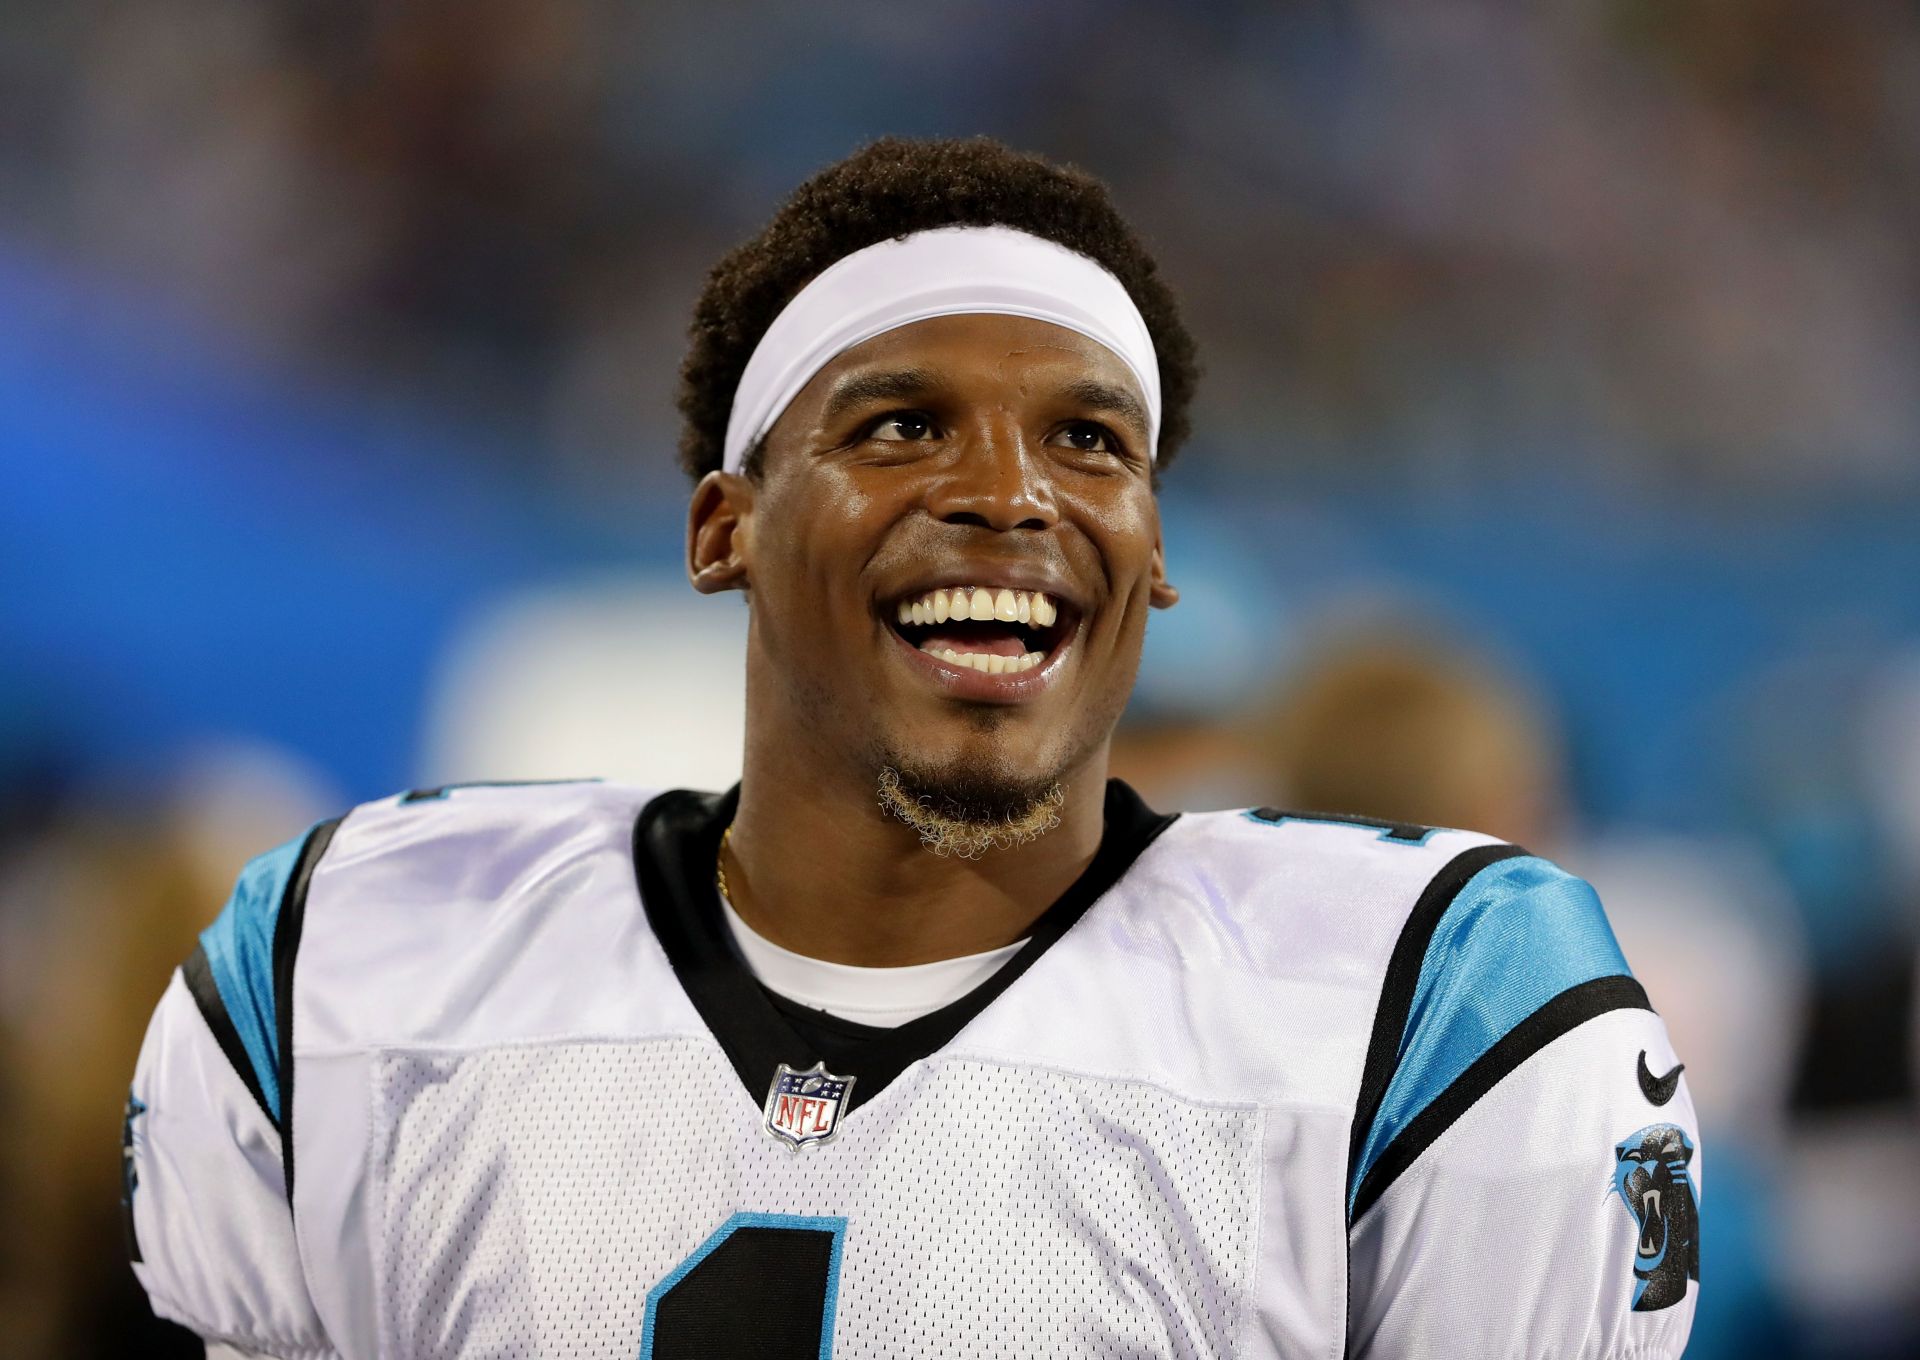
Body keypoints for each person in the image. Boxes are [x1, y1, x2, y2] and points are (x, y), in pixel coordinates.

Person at [124, 137, 1699, 1359]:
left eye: (1090, 439)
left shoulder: (1426, 1008)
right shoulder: (359, 960)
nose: (1010, 493)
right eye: (900, 426)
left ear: (1153, 552)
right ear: (722, 528)